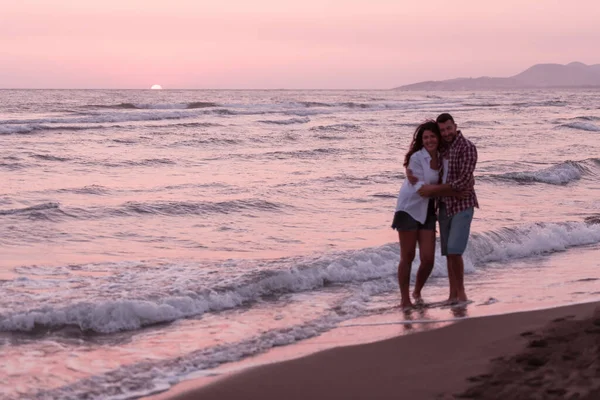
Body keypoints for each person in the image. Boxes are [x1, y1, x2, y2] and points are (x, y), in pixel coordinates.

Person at [415, 113, 478, 304]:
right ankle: (452, 295)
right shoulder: (442, 148)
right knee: (448, 252)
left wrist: (433, 190)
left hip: (462, 205)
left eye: (449, 128)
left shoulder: (467, 147)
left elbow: (464, 181)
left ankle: (462, 294)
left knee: (454, 251)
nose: (446, 133)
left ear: (455, 126)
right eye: (442, 130)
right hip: (443, 205)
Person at [391, 120, 443, 309]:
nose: (429, 140)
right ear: (421, 140)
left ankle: (417, 291)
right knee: (408, 255)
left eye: (432, 136)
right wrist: (448, 189)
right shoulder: (416, 158)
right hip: (409, 208)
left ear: (438, 137)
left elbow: (433, 187)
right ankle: (405, 299)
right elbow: (421, 190)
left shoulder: (443, 156)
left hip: (428, 209)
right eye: (426, 137)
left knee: (428, 259)